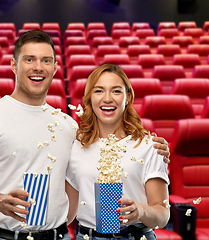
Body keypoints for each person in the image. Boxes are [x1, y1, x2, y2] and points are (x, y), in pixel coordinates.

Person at [0, 30, 169, 240]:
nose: (38, 67)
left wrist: (155, 152)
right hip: (2, 236)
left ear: (55, 67)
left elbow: (72, 199)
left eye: (46, 60)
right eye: (29, 59)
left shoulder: (68, 127)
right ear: (14, 65)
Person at [66, 64, 170, 240]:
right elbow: (68, 214)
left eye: (116, 91)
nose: (107, 98)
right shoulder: (76, 147)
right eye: (99, 91)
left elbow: (162, 216)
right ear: (90, 97)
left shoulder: (148, 146)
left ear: (127, 97)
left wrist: (141, 210)